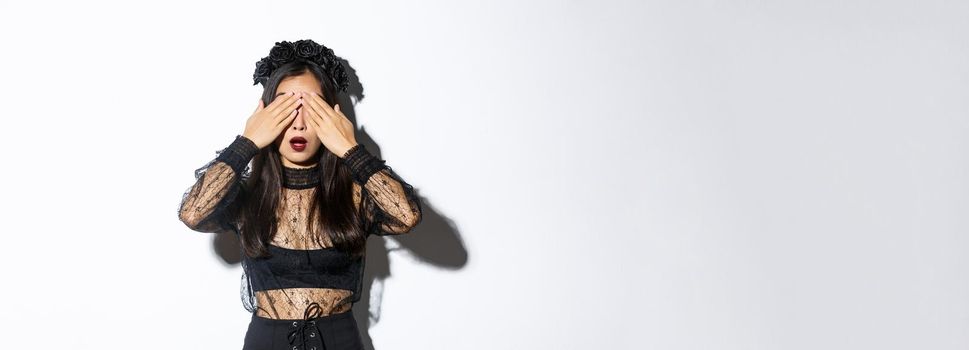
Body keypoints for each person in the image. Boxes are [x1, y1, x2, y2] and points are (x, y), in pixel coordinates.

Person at [177, 39, 423, 350]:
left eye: (312, 108)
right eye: (285, 108)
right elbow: (192, 213)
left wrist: (350, 148)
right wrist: (248, 141)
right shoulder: (247, 195)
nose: (299, 123)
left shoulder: (354, 195)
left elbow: (407, 216)